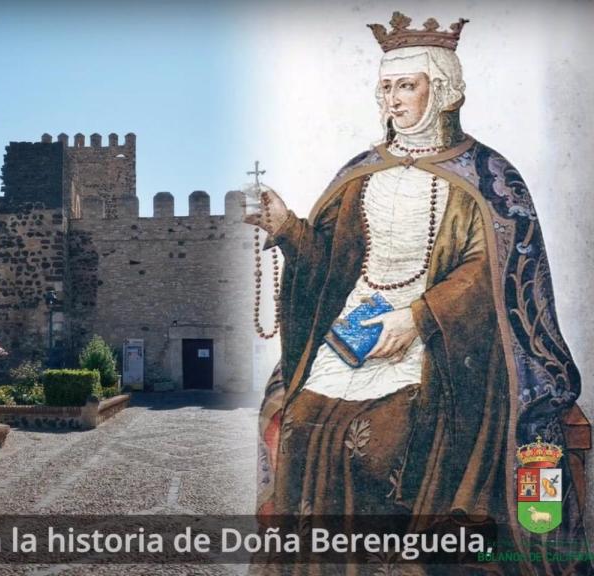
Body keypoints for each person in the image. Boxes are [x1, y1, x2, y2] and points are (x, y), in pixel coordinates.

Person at [247, 12, 589, 573]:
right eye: (385, 87)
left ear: (444, 89)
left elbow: (489, 271)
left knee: (376, 444)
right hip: (353, 333)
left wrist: (418, 317)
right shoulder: (362, 172)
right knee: (304, 423)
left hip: (441, 346)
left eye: (406, 85)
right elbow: (330, 266)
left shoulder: (489, 176)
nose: (392, 100)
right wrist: (287, 227)